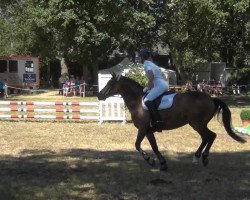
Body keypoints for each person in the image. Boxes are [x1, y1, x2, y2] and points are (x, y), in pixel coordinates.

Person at [139, 48, 169, 131]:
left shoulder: (146, 64)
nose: (140, 59)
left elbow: (152, 76)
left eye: (140, 57)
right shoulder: (153, 64)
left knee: (147, 101)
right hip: (163, 84)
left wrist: (147, 88)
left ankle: (157, 121)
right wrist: (149, 88)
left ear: (142, 57)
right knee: (151, 97)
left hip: (160, 85)